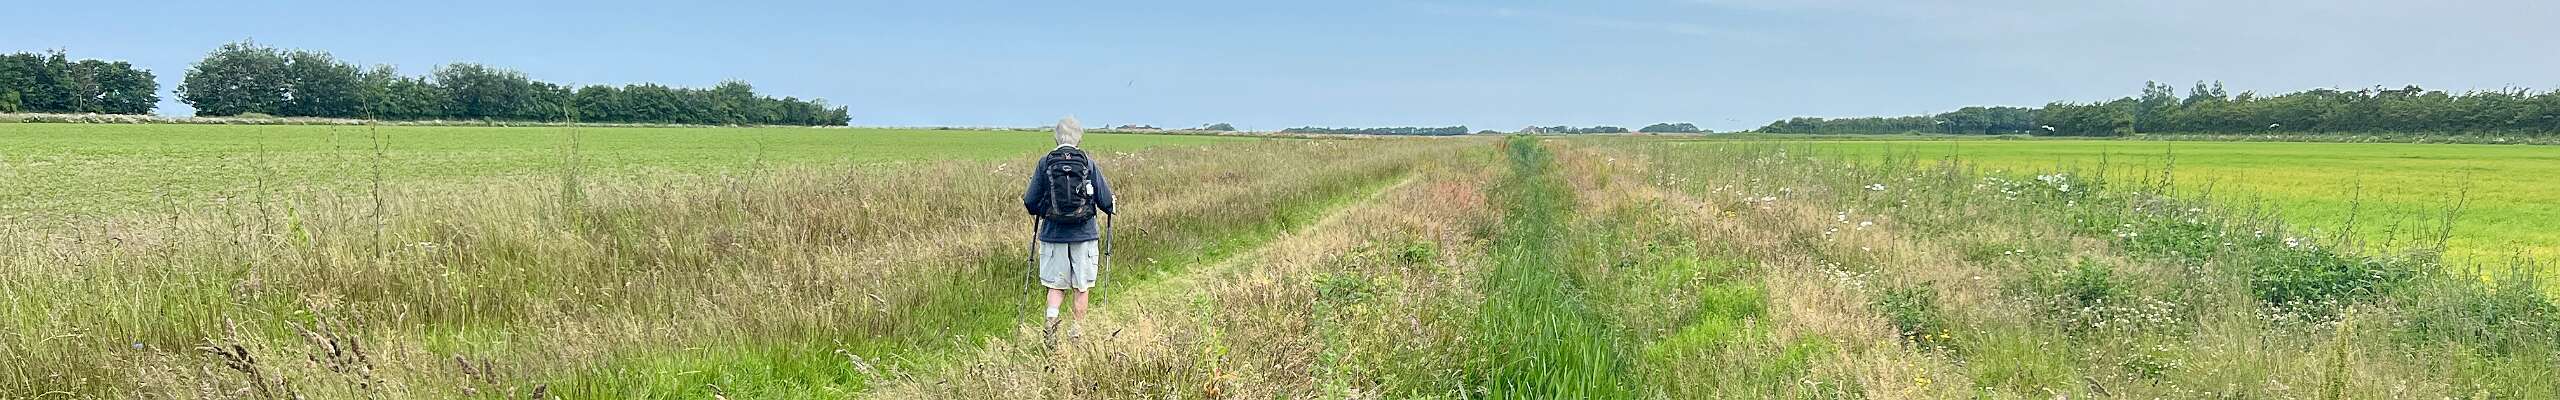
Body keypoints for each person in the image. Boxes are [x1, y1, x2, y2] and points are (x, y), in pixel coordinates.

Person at [1023, 116, 1115, 346]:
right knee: (1081, 286)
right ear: (1079, 137)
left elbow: (1030, 201)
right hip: (1084, 234)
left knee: (1056, 285)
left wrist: (1043, 211)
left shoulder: (1045, 162)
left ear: (1056, 136)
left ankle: (1051, 325)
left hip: (1053, 234)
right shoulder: (1087, 162)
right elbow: (1105, 200)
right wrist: (1111, 206)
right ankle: (1076, 332)